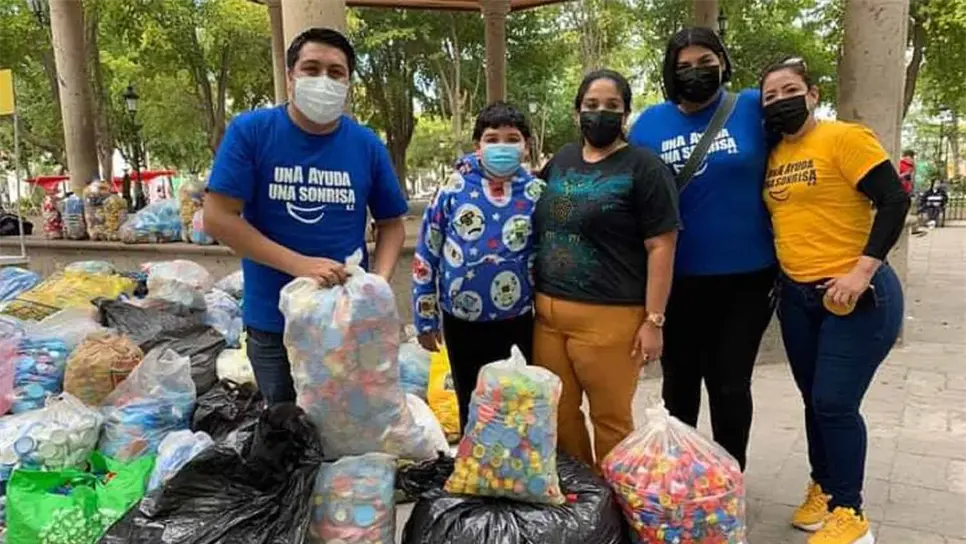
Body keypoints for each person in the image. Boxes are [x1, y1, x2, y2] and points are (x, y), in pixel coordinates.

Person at [203, 27, 408, 404]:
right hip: (274, 324)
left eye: (335, 72)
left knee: (349, 433)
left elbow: (392, 224)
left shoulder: (366, 145)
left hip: (345, 323)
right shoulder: (252, 132)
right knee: (287, 435)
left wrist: (375, 286)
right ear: (290, 75)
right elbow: (218, 217)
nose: (323, 80)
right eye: (311, 68)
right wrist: (299, 265)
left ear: (348, 82)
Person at [760, 57, 909, 544]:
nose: (781, 100)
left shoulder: (844, 138)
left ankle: (851, 513)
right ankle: (823, 486)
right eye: (770, 96)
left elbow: (894, 199)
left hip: (857, 295)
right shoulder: (773, 155)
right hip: (799, 297)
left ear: (813, 94)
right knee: (813, 400)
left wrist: (863, 269)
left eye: (790, 90)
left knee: (835, 402)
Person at [628, 27, 777, 471]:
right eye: (685, 67)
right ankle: (684, 482)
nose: (696, 73)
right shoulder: (649, 124)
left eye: (706, 63)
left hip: (747, 279)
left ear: (723, 63)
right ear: (670, 73)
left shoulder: (751, 107)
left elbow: (803, 145)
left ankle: (730, 479)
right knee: (680, 385)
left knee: (730, 384)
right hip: (677, 280)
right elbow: (622, 181)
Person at [533, 69, 680, 468]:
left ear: (626, 113)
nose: (601, 113)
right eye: (592, 105)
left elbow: (661, 245)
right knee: (559, 415)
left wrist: (654, 320)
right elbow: (535, 203)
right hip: (547, 316)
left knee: (610, 420)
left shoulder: (643, 167)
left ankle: (617, 509)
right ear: (577, 110)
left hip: (611, 318)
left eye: (612, 106)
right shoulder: (562, 160)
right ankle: (585, 502)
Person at [412, 101, 542, 433]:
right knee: (471, 402)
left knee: (515, 406)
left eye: (512, 138)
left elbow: (545, 254)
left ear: (526, 146)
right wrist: (424, 318)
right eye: (492, 138)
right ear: (478, 146)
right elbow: (428, 253)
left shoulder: (536, 193)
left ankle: (511, 474)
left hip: (517, 321)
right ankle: (474, 476)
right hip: (461, 322)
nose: (502, 146)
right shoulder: (453, 189)